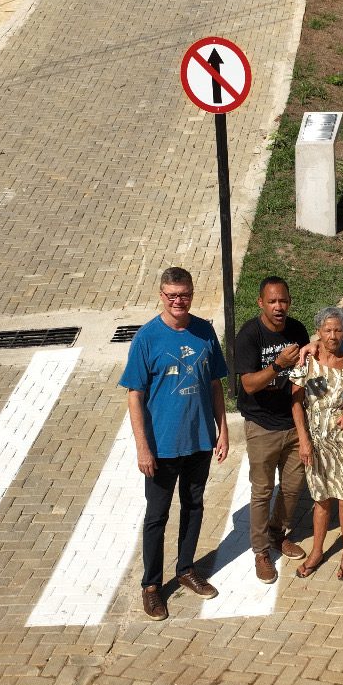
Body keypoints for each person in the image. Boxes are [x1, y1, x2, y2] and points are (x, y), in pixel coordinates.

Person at [121, 266, 229, 620]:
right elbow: (134, 395)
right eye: (171, 295)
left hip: (198, 441)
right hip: (162, 447)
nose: (178, 301)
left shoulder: (204, 331)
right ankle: (151, 586)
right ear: (161, 295)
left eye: (184, 295)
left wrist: (222, 429)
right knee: (157, 516)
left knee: (194, 506)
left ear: (192, 294)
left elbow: (215, 384)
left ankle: (186, 569)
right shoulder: (147, 338)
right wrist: (142, 447)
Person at [234, 276, 311, 583]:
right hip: (261, 424)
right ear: (261, 303)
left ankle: (278, 533)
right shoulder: (249, 335)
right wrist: (278, 365)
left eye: (283, 301)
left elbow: (307, 366)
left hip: (293, 422)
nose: (279, 307)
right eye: (273, 302)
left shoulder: (296, 329)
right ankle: (261, 552)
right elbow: (249, 384)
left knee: (293, 487)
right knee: (262, 491)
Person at [289, 307, 343, 581]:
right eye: (327, 330)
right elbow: (296, 402)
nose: (333, 335)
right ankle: (317, 551)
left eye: (338, 330)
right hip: (316, 442)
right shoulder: (306, 360)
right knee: (321, 500)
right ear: (318, 332)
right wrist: (304, 440)